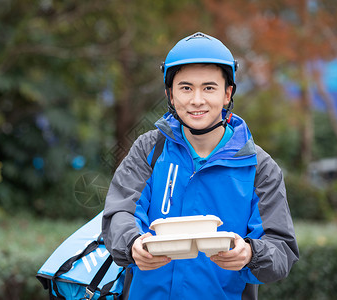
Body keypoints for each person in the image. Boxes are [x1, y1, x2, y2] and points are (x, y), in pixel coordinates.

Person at [102, 32, 299, 300]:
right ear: (170, 95)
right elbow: (119, 213)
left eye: (209, 87)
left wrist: (251, 254)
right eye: (185, 88)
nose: (196, 100)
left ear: (227, 93)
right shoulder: (148, 149)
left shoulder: (260, 167)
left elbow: (282, 249)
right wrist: (133, 244)